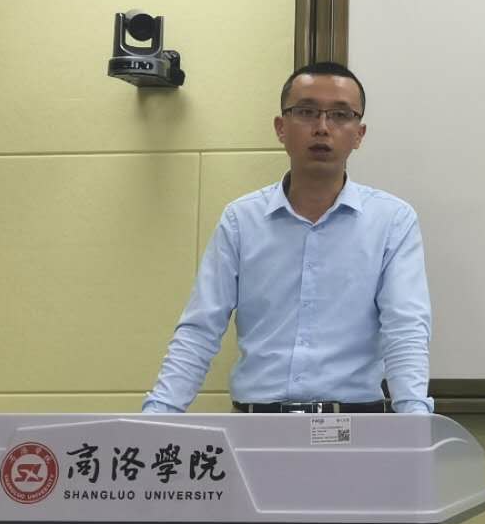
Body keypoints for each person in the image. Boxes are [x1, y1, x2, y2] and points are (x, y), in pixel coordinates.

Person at [142, 61, 433, 415]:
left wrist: (414, 422)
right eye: (307, 112)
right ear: (281, 128)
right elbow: (200, 330)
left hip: (353, 427)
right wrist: (158, 417)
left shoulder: (391, 221)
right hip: (256, 426)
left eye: (340, 115)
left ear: (359, 134)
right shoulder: (241, 220)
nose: (322, 127)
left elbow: (405, 330)